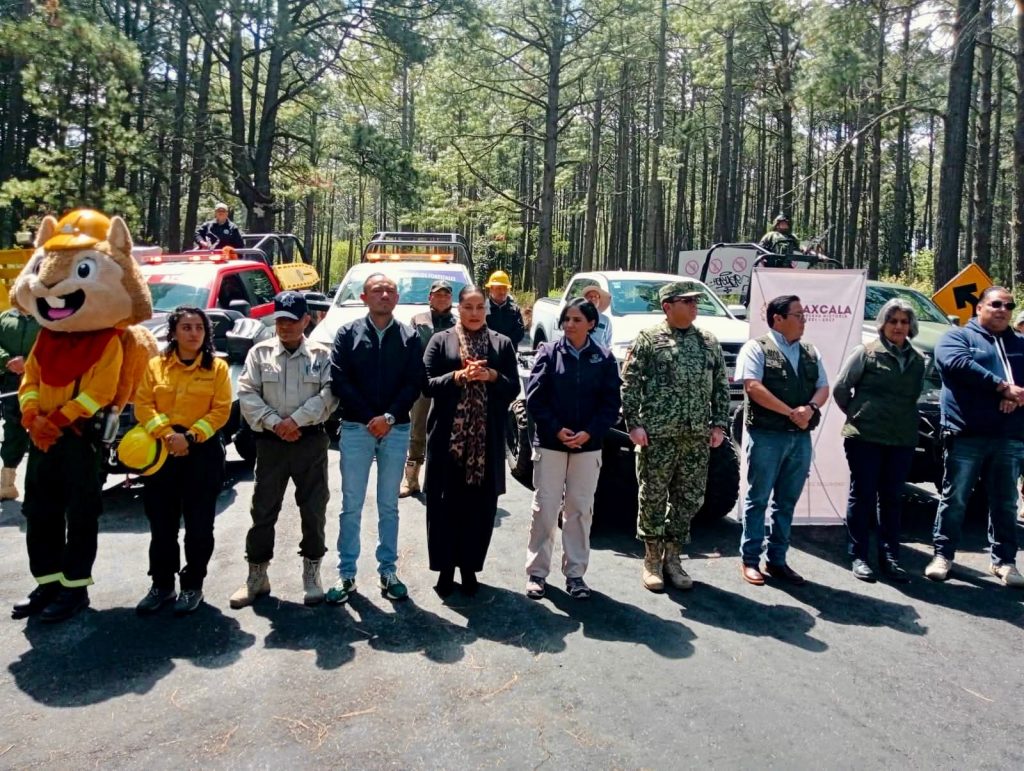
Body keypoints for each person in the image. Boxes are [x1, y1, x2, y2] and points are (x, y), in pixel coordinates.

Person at [621, 281, 731, 592]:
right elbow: (630, 383)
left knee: (689, 499)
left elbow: (721, 385)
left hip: (695, 436)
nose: (695, 306)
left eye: (696, 301)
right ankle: (652, 559)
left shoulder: (708, 341)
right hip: (658, 435)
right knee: (653, 497)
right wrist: (634, 424)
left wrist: (719, 424)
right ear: (668, 306)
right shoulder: (648, 339)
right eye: (688, 301)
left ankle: (673, 557)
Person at [231, 292, 338, 609]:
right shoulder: (259, 353)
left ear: (306, 320)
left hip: (310, 442)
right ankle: (256, 575)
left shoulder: (322, 355)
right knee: (262, 510)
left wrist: (296, 421)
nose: (285, 326)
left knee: (313, 509)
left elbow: (330, 394)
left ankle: (312, 573)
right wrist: (276, 423)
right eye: (280, 320)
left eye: (292, 320)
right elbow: (247, 393)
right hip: (271, 444)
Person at [327, 274, 423, 604]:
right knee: (351, 505)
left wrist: (389, 417)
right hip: (357, 428)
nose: (384, 294)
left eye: (390, 290)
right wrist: (371, 417)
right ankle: (346, 574)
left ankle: (388, 572)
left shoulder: (410, 336)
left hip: (395, 430)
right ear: (364, 297)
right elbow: (339, 379)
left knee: (389, 506)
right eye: (377, 290)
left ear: (396, 298)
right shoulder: (347, 333)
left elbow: (414, 382)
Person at [134, 306, 231, 615]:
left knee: (199, 527)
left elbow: (221, 411)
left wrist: (189, 437)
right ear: (173, 332)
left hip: (201, 454)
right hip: (162, 454)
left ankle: (192, 586)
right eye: (186, 327)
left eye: (199, 327)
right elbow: (143, 405)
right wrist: (167, 434)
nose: (193, 333)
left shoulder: (217, 368)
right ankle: (162, 585)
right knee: (162, 526)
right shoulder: (156, 366)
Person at [423, 285, 519, 597]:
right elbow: (426, 384)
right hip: (447, 441)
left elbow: (513, 388)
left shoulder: (501, 343)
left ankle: (469, 567)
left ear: (487, 310)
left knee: (479, 508)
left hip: (485, 442)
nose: (475, 313)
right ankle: (445, 568)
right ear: (459, 309)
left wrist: (492, 376)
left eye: (480, 307)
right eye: (468, 307)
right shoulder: (441, 340)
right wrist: (457, 377)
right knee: (444, 505)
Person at [925, 286, 1024, 587]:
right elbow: (957, 365)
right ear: (979, 308)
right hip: (966, 434)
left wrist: (1016, 395)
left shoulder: (1019, 344)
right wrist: (1001, 387)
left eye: (1009, 306)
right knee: (955, 499)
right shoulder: (958, 338)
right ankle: (943, 556)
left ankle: (1005, 561)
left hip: (1009, 437)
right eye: (996, 304)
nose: (1003, 310)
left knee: (1005, 502)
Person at [524, 298, 621, 599]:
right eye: (566, 319)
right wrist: (556, 429)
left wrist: (589, 432)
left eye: (577, 320)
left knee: (579, 509)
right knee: (545, 508)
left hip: (588, 447)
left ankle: (576, 574)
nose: (570, 324)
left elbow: (611, 405)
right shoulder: (549, 353)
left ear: (591, 323)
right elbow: (534, 399)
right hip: (551, 444)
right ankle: (537, 573)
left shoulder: (604, 358)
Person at [735, 294, 829, 586]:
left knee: (786, 502)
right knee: (758, 499)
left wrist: (809, 409)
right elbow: (753, 387)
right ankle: (751, 560)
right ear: (778, 318)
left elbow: (824, 387)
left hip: (800, 438)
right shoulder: (756, 348)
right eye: (798, 315)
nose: (804, 320)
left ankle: (777, 560)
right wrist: (791, 412)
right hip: (767, 436)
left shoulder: (811, 351)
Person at [833, 298, 925, 583]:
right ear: (883, 324)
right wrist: (859, 415)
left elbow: (913, 396)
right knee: (863, 496)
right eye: (893, 321)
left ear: (911, 326)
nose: (898, 326)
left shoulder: (918, 359)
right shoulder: (866, 352)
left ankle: (890, 557)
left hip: (901, 439)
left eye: (904, 321)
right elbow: (841, 388)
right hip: (865, 437)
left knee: (892, 498)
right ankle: (859, 556)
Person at [401, 280, 456, 497]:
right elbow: (409, 350)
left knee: (448, 430)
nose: (442, 298)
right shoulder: (418, 320)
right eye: (438, 294)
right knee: (417, 429)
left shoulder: (458, 322)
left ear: (451, 298)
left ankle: (443, 479)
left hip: (450, 384)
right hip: (423, 383)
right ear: (430, 297)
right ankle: (411, 478)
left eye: (446, 295)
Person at [0, 307, 39, 500]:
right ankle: (7, 484)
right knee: (13, 428)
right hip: (10, 381)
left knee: (43, 428)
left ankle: (44, 484)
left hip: (41, 381)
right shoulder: (5, 318)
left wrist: (29, 362)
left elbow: (57, 345)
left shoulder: (47, 317)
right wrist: (7, 360)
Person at [484, 270, 525, 349]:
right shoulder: (483, 309)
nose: (502, 292)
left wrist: (505, 343)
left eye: (505, 288)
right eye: (499, 288)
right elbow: (480, 332)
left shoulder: (514, 309)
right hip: (489, 352)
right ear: (491, 289)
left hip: (510, 351)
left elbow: (520, 332)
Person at [581, 282, 613, 349]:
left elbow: (608, 343)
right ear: (585, 299)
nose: (593, 298)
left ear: (599, 300)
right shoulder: (578, 317)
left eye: (596, 296)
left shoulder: (605, 320)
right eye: (590, 296)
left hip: (599, 354)